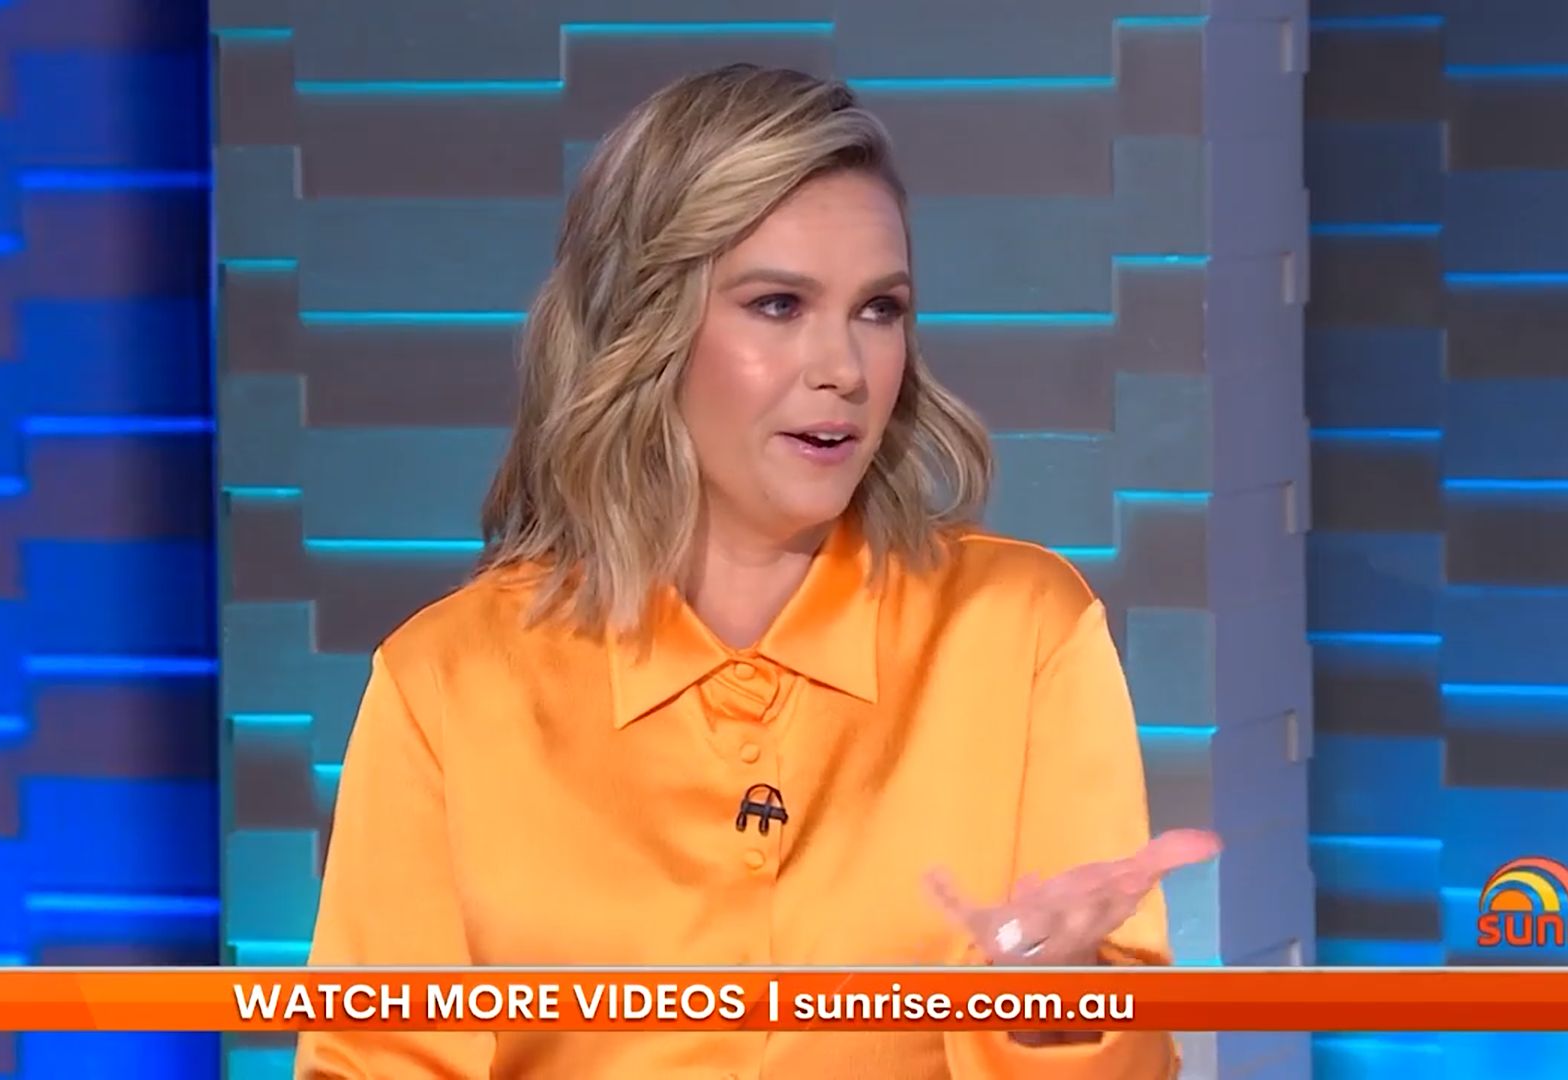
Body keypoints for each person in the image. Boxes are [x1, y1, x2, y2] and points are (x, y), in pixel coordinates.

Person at [295, 62, 1222, 1079]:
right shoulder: (447, 680)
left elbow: (1135, 1058)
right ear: (645, 325)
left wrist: (1058, 1012)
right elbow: (373, 1060)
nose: (844, 369)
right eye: (779, 305)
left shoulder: (1020, 627)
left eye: (879, 310)